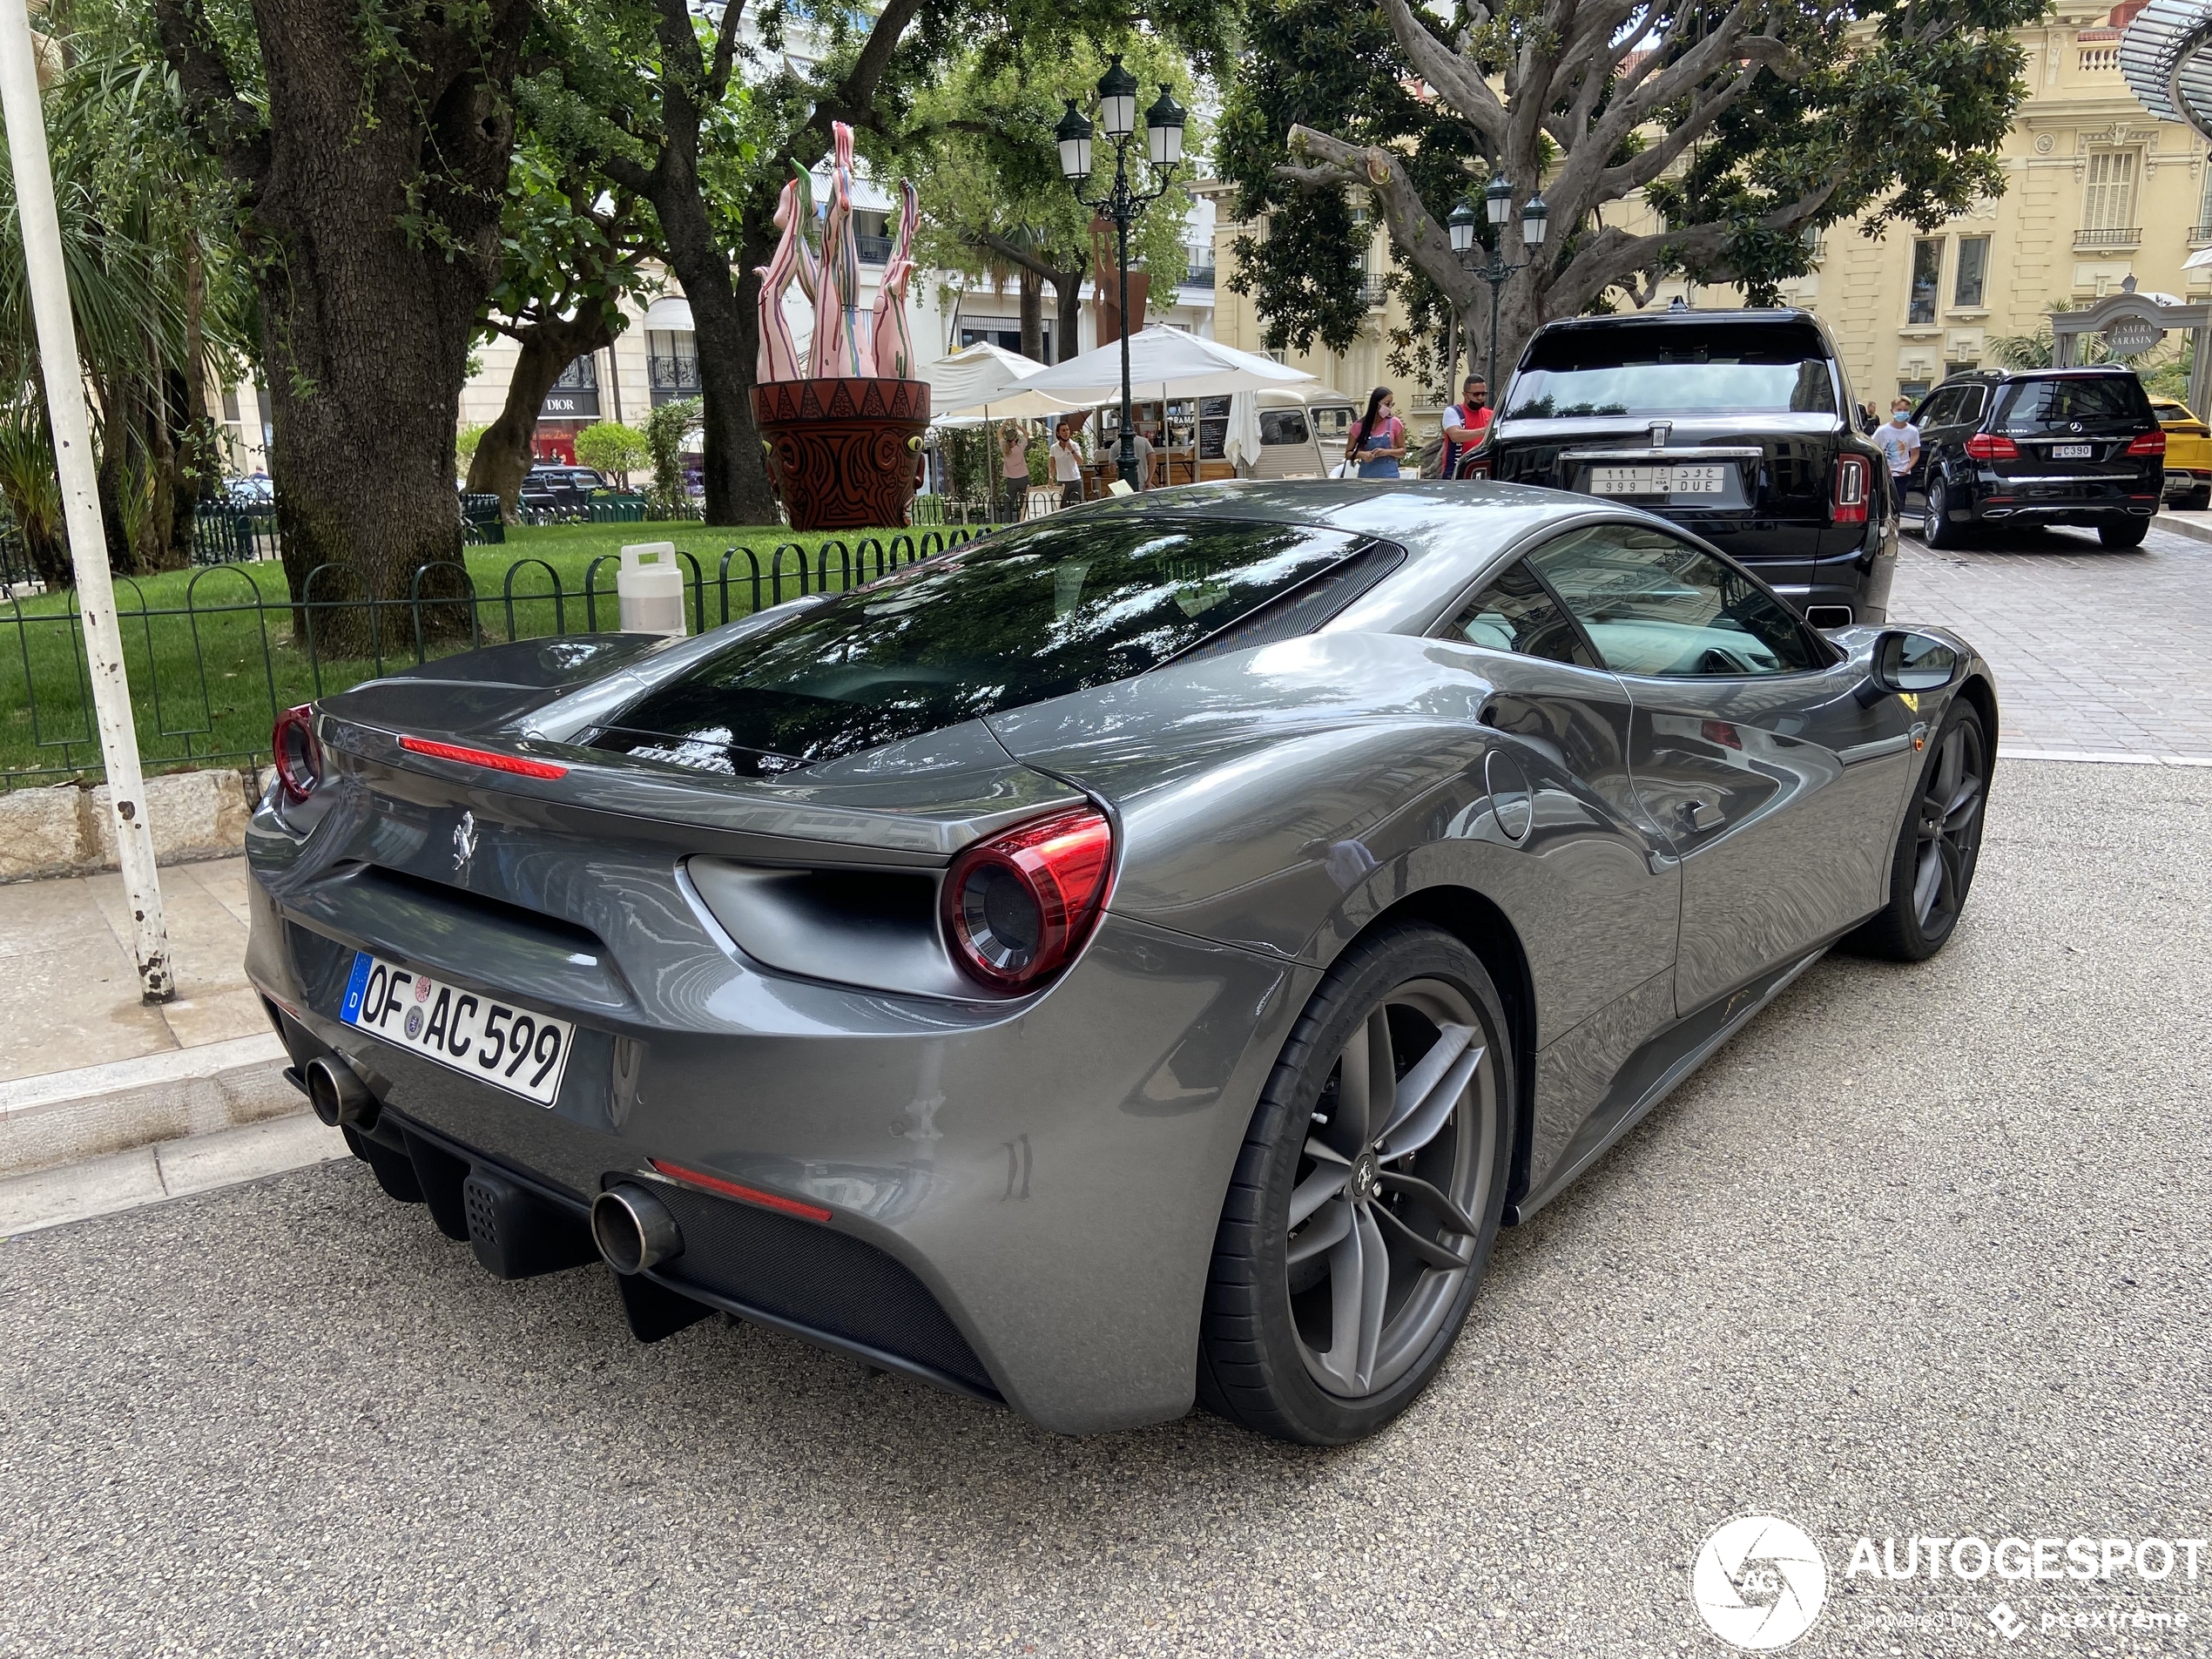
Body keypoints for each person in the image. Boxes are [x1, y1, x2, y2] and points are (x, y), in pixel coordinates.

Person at [1346, 388, 1407, 479]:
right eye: (1387, 404)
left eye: (1391, 404)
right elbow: (1348, 454)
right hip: (1367, 476)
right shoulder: (1358, 426)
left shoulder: (1395, 423)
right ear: (1376, 403)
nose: (1389, 407)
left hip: (1390, 476)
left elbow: (1402, 451)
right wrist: (1361, 454)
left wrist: (1387, 452)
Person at [1874, 396, 1920, 510]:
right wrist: (1884, 468)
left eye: (1905, 410)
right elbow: (1874, 450)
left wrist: (1907, 468)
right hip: (1885, 474)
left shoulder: (1912, 431)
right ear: (1892, 411)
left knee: (1898, 505)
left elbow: (1915, 453)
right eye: (1899, 410)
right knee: (1882, 503)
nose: (1902, 413)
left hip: (1901, 474)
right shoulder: (1882, 431)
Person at [1440, 376, 1492, 479]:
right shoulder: (1453, 412)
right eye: (1476, 394)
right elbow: (1455, 436)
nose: (1480, 398)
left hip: (1482, 472)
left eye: (1484, 394)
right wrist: (1486, 431)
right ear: (1464, 394)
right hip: (1456, 471)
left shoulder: (1490, 414)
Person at [998, 422, 1030, 523]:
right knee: (1024, 503)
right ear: (1016, 439)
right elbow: (1026, 434)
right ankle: (1024, 521)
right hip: (1023, 478)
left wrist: (1005, 424)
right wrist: (1016, 425)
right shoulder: (1020, 448)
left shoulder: (1004, 448)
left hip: (1011, 479)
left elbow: (999, 433)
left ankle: (1007, 522)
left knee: (1009, 504)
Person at [1052, 421, 1086, 509]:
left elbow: (1081, 462)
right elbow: (1052, 465)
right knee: (1063, 508)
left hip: (1074, 481)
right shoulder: (1054, 448)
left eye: (1067, 430)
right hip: (1061, 481)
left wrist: (1072, 450)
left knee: (1075, 508)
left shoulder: (1074, 445)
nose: (1066, 432)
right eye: (1063, 430)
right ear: (1058, 433)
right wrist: (1050, 477)